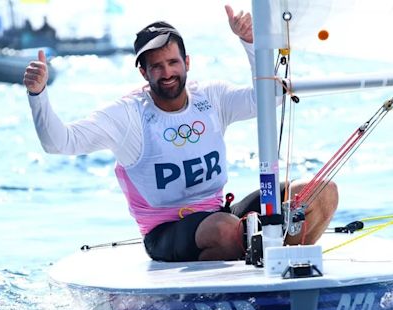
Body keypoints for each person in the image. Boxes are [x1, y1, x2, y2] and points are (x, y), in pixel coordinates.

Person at [23, 5, 338, 263]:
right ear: (144, 73)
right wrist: (38, 95)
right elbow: (58, 143)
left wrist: (250, 43)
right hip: (165, 232)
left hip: (218, 215)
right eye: (156, 66)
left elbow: (270, 98)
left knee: (320, 192)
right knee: (227, 230)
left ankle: (286, 276)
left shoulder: (210, 98)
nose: (167, 72)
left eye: (173, 62)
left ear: (187, 62)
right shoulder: (127, 116)